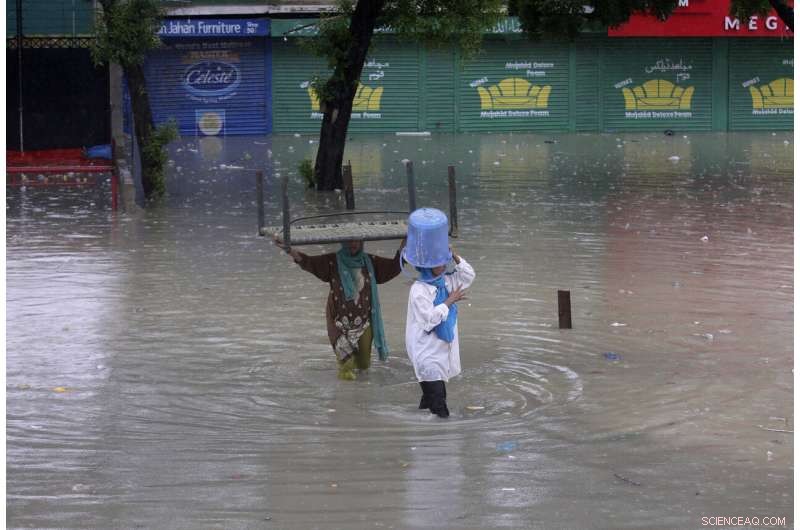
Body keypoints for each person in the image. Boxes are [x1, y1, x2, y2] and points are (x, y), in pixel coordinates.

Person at [274, 237, 405, 380]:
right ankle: (345, 399)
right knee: (347, 368)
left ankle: (363, 400)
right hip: (339, 325)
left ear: (362, 243)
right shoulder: (332, 262)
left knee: (364, 366)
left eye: (357, 241)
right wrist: (289, 250)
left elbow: (395, 266)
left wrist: (407, 240)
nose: (353, 244)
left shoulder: (371, 262)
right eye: (349, 241)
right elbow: (308, 262)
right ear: (343, 242)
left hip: (365, 323)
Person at [405, 247, 475, 418]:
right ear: (427, 266)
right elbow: (429, 320)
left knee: (430, 401)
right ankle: (442, 439)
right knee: (440, 410)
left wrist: (454, 255)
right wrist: (450, 300)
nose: (443, 264)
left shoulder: (445, 281)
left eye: (444, 260)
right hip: (426, 353)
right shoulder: (419, 290)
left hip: (440, 352)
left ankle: (423, 433)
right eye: (438, 262)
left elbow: (468, 275)